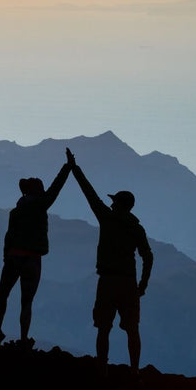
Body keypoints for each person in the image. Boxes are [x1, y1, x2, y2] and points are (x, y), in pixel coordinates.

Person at [67, 148, 154, 376]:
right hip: (128, 283)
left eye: (114, 202)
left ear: (117, 204)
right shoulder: (137, 228)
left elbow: (89, 192)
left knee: (103, 328)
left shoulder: (106, 218)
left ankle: (102, 369)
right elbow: (148, 256)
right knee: (132, 330)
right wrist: (142, 285)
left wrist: (74, 168)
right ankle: (134, 372)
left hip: (107, 281)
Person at [0, 148, 74, 350]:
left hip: (12, 258)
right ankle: (23, 337)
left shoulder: (16, 211)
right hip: (32, 260)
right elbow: (56, 187)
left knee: (2, 296)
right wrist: (68, 167)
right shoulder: (41, 205)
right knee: (26, 302)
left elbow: (8, 237)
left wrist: (6, 257)